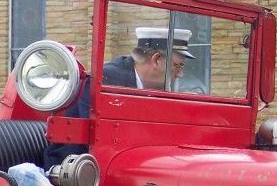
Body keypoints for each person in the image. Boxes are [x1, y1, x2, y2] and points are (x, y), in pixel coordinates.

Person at [43, 27, 195, 169]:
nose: (180, 74)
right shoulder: (107, 80)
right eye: (178, 65)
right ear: (156, 60)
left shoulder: (152, 89)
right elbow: (106, 138)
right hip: (73, 173)